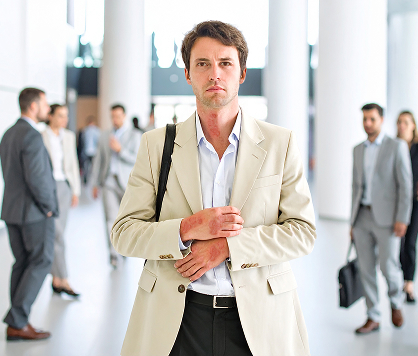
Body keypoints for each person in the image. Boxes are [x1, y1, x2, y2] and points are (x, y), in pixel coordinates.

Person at [111, 21, 316, 356]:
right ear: (189, 74)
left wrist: (227, 247)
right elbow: (123, 233)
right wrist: (188, 228)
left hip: (258, 322)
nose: (214, 74)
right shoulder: (156, 145)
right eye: (202, 64)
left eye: (225, 63)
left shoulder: (281, 143)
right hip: (177, 320)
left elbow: (303, 231)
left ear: (242, 73)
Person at [0, 87, 58, 340]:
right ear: (33, 106)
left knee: (22, 263)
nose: (48, 109)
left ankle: (18, 322)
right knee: (41, 261)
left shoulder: (9, 134)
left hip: (12, 211)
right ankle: (17, 321)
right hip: (34, 213)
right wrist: (49, 207)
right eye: (44, 104)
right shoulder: (32, 136)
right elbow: (37, 178)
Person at [351, 103, 413, 334]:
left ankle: (396, 302)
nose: (367, 123)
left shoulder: (396, 147)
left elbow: (405, 186)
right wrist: (352, 222)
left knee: (389, 267)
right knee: (366, 268)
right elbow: (355, 187)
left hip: (388, 219)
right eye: (365, 119)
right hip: (362, 217)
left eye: (372, 119)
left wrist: (402, 219)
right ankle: (373, 316)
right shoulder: (357, 149)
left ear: (381, 120)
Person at [90, 104, 142, 268]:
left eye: (118, 116)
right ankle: (113, 254)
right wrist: (95, 183)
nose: (115, 120)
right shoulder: (105, 135)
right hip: (108, 182)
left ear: (124, 116)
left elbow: (138, 159)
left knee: (126, 220)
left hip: (128, 183)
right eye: (112, 116)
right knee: (110, 220)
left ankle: (123, 248)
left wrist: (120, 150)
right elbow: (98, 160)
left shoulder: (135, 135)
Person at [42, 104, 81, 297]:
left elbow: (73, 164)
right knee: (56, 234)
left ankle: (57, 279)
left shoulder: (68, 136)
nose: (64, 120)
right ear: (50, 116)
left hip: (64, 187)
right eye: (60, 116)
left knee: (58, 233)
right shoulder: (41, 136)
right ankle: (62, 278)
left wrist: (75, 190)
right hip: (47, 188)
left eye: (66, 116)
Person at [397, 110, 418, 303]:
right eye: (399, 122)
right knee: (398, 245)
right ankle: (399, 280)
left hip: (415, 203)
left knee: (410, 243)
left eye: (406, 122)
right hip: (397, 202)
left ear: (413, 125)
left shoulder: (417, 148)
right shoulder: (394, 147)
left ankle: (408, 284)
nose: (402, 125)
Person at [80, 115, 100, 184]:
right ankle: (93, 179)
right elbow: (98, 142)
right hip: (94, 151)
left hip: (86, 151)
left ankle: (86, 179)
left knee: (86, 166)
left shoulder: (84, 131)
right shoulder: (97, 131)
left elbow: (82, 142)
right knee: (93, 166)